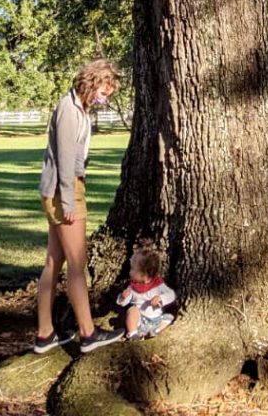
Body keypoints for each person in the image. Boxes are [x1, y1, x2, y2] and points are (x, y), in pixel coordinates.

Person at [33, 58, 120, 355]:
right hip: (64, 191)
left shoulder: (78, 108)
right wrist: (69, 200)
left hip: (59, 190)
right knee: (76, 264)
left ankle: (45, 334)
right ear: (93, 82)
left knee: (53, 263)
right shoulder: (69, 111)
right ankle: (88, 333)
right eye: (104, 91)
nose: (104, 98)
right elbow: (66, 159)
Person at [115, 240, 176, 340]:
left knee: (169, 317)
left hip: (156, 320)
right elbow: (124, 303)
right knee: (132, 310)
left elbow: (171, 294)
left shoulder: (158, 285)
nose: (130, 272)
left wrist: (161, 298)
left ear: (144, 274)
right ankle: (133, 333)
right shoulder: (132, 286)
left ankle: (155, 331)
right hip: (140, 321)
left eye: (133, 269)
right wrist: (123, 297)